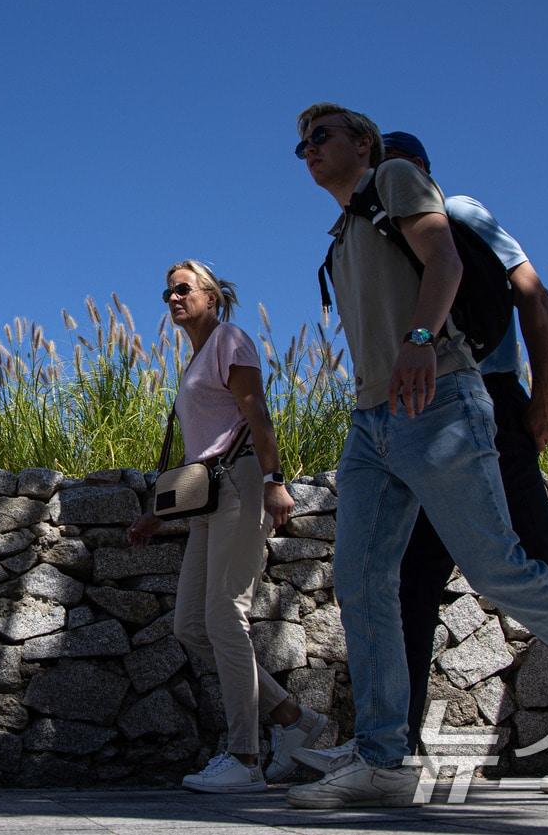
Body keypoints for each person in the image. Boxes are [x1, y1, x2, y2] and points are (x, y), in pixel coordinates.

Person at [282, 103, 548, 809]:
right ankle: (384, 757)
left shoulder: (399, 178)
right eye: (301, 145)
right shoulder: (343, 233)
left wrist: (420, 336)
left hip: (440, 396)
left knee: (502, 567)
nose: (308, 151)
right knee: (363, 581)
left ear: (363, 142)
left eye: (321, 136)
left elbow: (444, 257)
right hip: (371, 423)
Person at [128, 260, 328, 793]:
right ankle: (296, 722)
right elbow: (202, 448)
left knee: (224, 617)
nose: (172, 297)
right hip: (207, 498)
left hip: (241, 487)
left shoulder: (229, 340)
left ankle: (245, 758)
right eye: (166, 290)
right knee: (190, 625)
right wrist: (157, 512)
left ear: (212, 296)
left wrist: (274, 479)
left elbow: (256, 413)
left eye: (183, 288)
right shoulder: (195, 358)